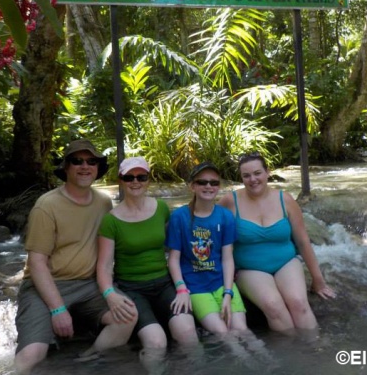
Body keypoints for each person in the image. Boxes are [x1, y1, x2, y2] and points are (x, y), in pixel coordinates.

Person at [14, 139, 137, 375]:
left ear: (97, 168)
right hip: (47, 286)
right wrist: (58, 309)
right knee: (31, 356)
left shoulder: (103, 202)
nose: (85, 166)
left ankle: (87, 362)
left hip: (90, 285)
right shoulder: (46, 206)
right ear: (66, 168)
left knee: (128, 315)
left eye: (91, 161)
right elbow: (37, 262)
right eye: (77, 161)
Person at [93, 156, 198, 370]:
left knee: (187, 333)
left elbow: (176, 248)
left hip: (163, 283)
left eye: (141, 177)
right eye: (129, 177)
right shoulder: (111, 220)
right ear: (121, 180)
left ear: (148, 180)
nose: (135, 182)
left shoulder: (160, 209)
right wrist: (109, 295)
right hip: (132, 288)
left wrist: (184, 285)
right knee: (156, 342)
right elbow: (104, 267)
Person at [218, 152, 336, 333]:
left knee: (299, 303)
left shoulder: (285, 199)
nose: (253, 179)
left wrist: (318, 280)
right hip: (250, 269)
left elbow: (303, 241)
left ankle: (315, 350)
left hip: (286, 262)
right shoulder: (229, 202)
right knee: (273, 306)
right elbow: (209, 229)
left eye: (257, 173)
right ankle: (291, 355)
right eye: (246, 176)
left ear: (267, 172)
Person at [165, 161, 247, 334]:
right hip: (195, 287)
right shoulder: (179, 217)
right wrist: (181, 288)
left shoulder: (225, 216)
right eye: (202, 182)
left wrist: (227, 292)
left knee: (241, 329)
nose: (208, 186)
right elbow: (174, 259)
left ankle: (268, 362)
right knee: (222, 332)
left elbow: (227, 258)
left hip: (221, 283)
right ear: (192, 186)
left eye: (214, 182)